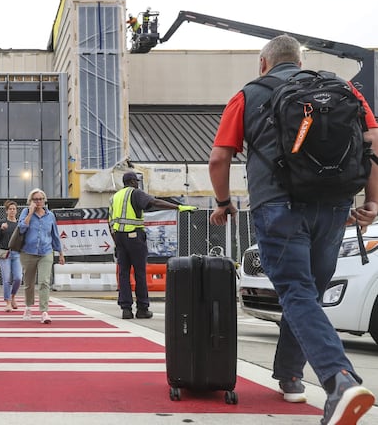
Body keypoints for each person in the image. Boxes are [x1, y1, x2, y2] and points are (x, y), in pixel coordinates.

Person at [208, 34, 376, 424]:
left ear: (264, 64)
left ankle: (340, 380)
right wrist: (372, 202)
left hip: (278, 206)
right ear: (299, 61)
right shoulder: (343, 88)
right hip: (334, 206)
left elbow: (219, 159)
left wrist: (222, 202)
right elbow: (373, 142)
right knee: (309, 295)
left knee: (296, 293)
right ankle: (291, 378)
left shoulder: (247, 95)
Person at [110, 171, 195, 320]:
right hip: (134, 237)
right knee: (139, 273)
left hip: (119, 238)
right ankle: (142, 308)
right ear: (132, 181)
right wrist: (178, 207)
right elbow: (154, 202)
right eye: (136, 181)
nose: (137, 183)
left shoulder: (114, 197)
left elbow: (109, 221)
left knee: (123, 274)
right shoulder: (135, 193)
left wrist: (116, 240)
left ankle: (126, 309)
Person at [17, 188, 65, 324]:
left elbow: (55, 235)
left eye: (40, 199)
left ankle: (44, 311)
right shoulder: (26, 212)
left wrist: (60, 253)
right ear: (30, 201)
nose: (38, 202)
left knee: (44, 281)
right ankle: (28, 306)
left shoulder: (50, 215)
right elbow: (21, 228)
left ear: (44, 200)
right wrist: (30, 213)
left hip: (46, 251)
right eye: (35, 199)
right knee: (29, 283)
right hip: (28, 252)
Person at [0, 200, 22, 312]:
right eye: (10, 209)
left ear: (16, 210)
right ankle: (8, 302)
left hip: (17, 253)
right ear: (6, 211)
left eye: (14, 209)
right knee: (6, 279)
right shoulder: (2, 222)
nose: (12, 210)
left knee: (18, 278)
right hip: (5, 253)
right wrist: (1, 229)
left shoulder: (19, 223)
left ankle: (13, 296)